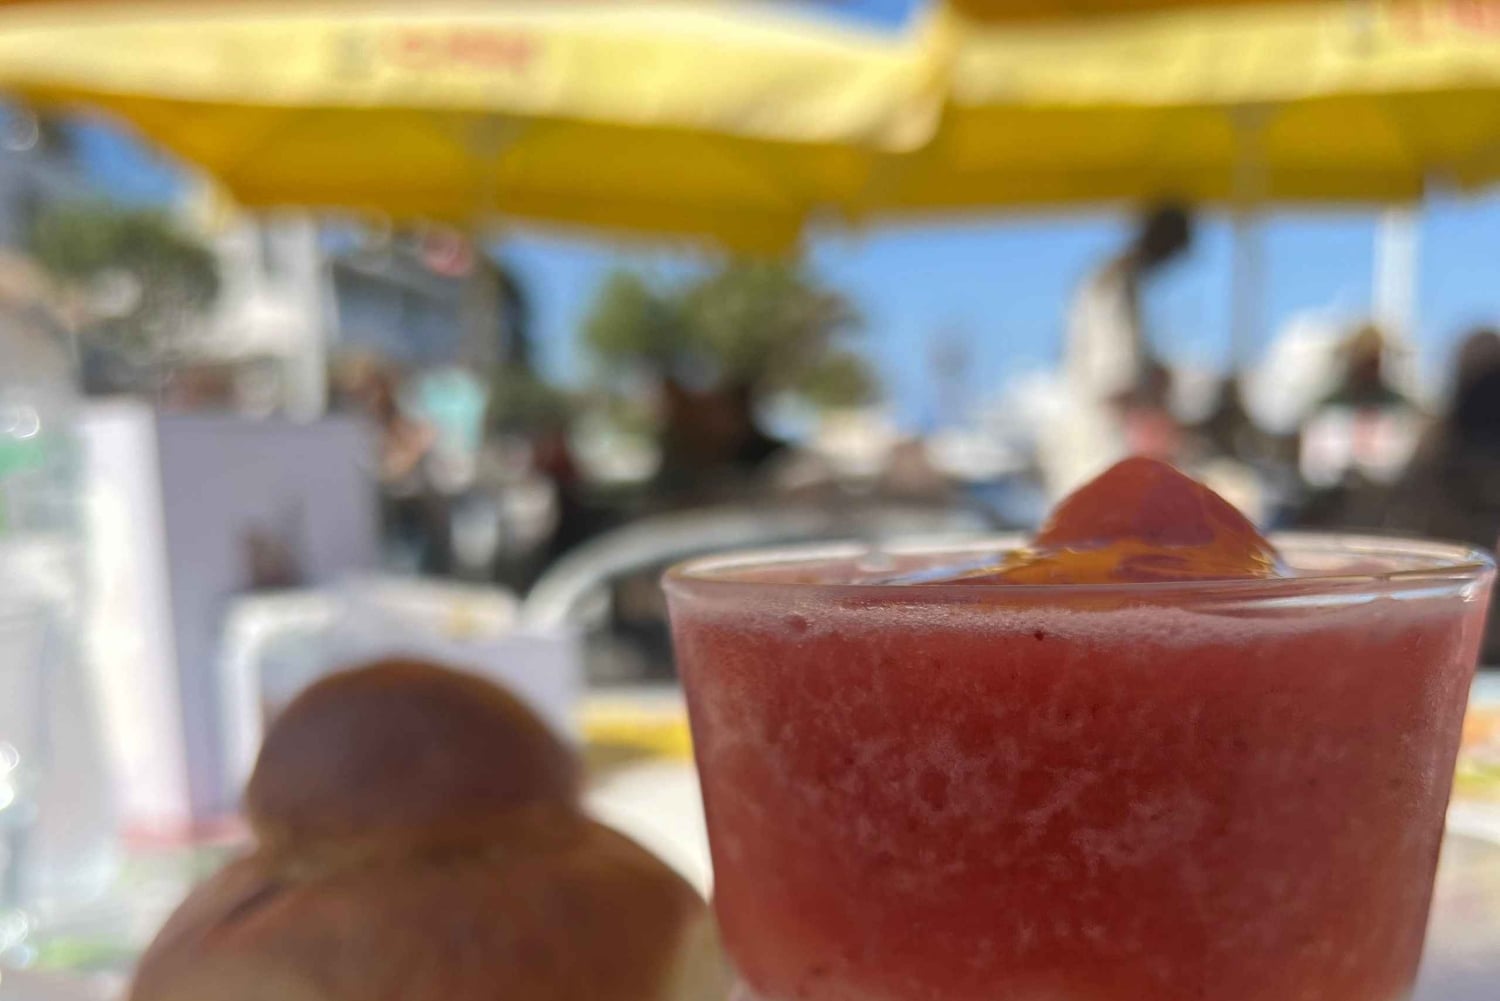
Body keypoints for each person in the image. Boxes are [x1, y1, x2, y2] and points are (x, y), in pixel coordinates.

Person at [1041, 201, 1194, 497]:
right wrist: (1156, 417)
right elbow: (1114, 377)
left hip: (1097, 439)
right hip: (1099, 445)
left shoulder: (1113, 277)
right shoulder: (1116, 282)